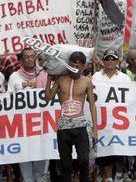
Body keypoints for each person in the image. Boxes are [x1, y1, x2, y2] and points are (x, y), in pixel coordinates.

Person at [45, 52, 97, 182]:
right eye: (72, 64)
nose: (74, 67)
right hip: (64, 126)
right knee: (65, 163)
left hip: (80, 125)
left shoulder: (87, 82)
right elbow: (47, 98)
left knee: (84, 160)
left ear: (83, 66)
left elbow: (92, 106)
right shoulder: (61, 79)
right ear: (68, 64)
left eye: (77, 65)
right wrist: (48, 80)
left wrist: (95, 129)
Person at [7, 47, 49, 182]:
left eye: (33, 56)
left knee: (41, 172)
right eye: (27, 57)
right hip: (22, 128)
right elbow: (8, 100)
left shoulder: (44, 75)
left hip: (41, 127)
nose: (30, 59)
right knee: (27, 173)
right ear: (20, 60)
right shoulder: (14, 77)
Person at [92, 49, 130, 182]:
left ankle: (119, 173)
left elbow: (131, 96)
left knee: (119, 147)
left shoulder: (124, 78)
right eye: (107, 59)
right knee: (104, 147)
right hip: (102, 118)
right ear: (103, 61)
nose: (109, 61)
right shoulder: (95, 76)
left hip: (119, 119)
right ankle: (108, 177)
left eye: (112, 59)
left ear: (117, 61)